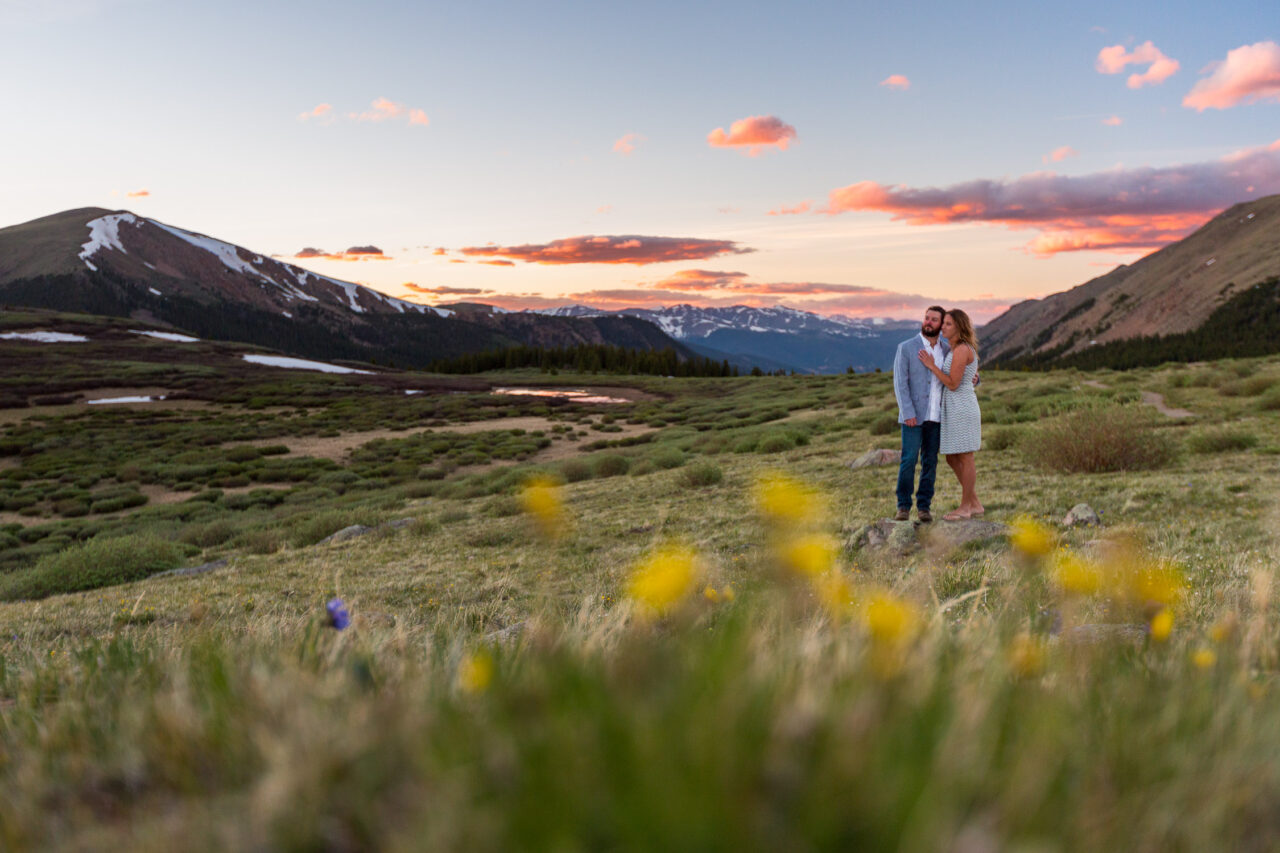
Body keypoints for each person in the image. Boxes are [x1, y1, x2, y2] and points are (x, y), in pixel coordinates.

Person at [917, 309, 983, 521]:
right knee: (952, 457)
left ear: (959, 327)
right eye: (943, 323)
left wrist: (931, 366)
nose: (942, 327)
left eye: (947, 324)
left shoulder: (962, 349)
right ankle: (974, 502)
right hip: (953, 408)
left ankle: (966, 507)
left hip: (962, 406)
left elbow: (954, 384)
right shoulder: (954, 349)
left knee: (965, 456)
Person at [891, 306, 948, 523]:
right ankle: (903, 506)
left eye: (934, 319)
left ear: (941, 325)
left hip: (937, 417)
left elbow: (958, 373)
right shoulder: (906, 347)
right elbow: (900, 383)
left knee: (930, 462)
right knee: (908, 460)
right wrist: (907, 412)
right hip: (913, 416)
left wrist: (975, 378)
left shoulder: (947, 350)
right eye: (927, 318)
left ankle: (924, 507)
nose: (928, 322)